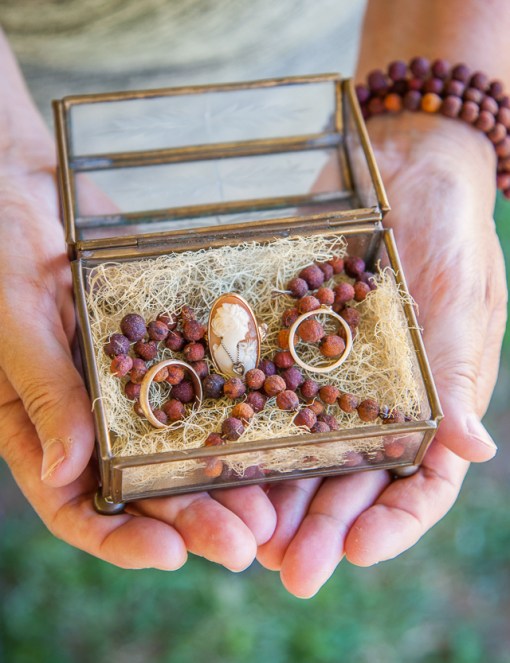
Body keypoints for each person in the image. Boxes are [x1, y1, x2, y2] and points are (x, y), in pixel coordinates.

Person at [0, 0, 506, 598]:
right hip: (40, 117)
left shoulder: (311, 307)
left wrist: (433, 145)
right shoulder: (177, 344)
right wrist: (9, 164)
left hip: (315, 132)